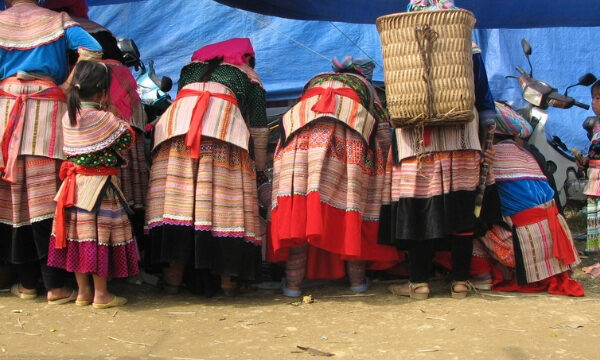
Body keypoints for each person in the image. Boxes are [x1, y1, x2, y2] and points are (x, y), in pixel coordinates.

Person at [379, 0, 497, 299]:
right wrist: (487, 138)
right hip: (462, 138)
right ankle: (459, 281)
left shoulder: (402, 45)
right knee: (462, 208)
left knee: (418, 209)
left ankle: (418, 283)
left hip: (416, 140)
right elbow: (483, 98)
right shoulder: (466, 46)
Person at [269, 56, 400, 297]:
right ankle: (357, 283)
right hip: (344, 144)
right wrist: (383, 162)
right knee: (353, 208)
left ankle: (293, 286)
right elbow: (382, 129)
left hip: (298, 145)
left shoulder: (315, 81)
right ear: (364, 74)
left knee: (301, 214)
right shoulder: (366, 88)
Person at [145, 38, 267, 296]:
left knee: (179, 205)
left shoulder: (189, 70)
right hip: (222, 133)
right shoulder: (250, 76)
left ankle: (173, 280)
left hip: (176, 132)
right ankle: (227, 283)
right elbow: (257, 125)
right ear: (246, 58)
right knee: (224, 206)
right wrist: (260, 167)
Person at [0, 0, 102, 303]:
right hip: (47, 110)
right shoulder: (58, 20)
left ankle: (26, 284)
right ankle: (55, 286)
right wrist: (68, 85)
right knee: (48, 199)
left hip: (5, 110)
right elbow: (93, 50)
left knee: (12, 199)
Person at [44, 0, 149, 253]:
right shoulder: (101, 30)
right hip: (121, 97)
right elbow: (127, 137)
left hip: (86, 105)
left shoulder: (60, 32)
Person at [448, 102, 583, 296]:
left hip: (527, 245)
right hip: (556, 244)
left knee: (466, 228)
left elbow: (482, 208)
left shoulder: (490, 159)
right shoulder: (528, 154)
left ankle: (482, 277)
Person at [47, 60, 138, 308]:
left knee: (79, 238)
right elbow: (126, 139)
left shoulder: (69, 117)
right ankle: (102, 294)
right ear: (101, 91)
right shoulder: (104, 119)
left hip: (73, 188)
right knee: (99, 239)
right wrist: (113, 112)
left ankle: (83, 292)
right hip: (100, 188)